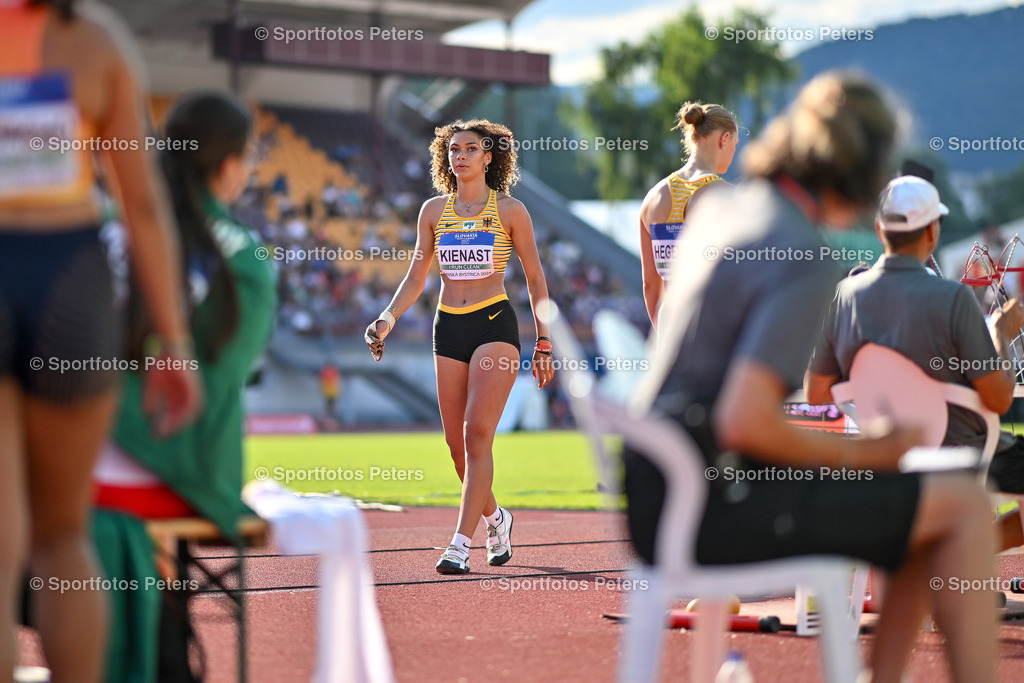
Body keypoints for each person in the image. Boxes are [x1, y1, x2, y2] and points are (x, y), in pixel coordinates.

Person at [625, 72, 998, 682]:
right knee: (961, 504)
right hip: (709, 500)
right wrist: (869, 452)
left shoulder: (723, 213)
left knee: (922, 512)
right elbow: (744, 418)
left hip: (655, 488)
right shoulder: (801, 251)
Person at [0, 1, 202, 681]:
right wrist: (174, 342)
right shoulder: (94, 38)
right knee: (63, 534)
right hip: (70, 277)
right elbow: (142, 206)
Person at [91, 91, 277, 682]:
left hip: (68, 479)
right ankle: (167, 651)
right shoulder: (243, 256)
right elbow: (227, 379)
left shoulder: (104, 235)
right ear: (228, 167)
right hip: (165, 479)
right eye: (249, 156)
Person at [364, 119, 554, 574]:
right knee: (455, 447)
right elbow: (416, 275)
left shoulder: (510, 210)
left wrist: (544, 340)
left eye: (470, 149)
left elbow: (534, 277)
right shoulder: (433, 211)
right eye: (453, 150)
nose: (460, 156)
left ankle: (458, 545)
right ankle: (497, 518)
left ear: (489, 156)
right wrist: (387, 317)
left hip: (494, 323)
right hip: (447, 326)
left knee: (476, 435)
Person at [805, 175, 1024, 545]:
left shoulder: (843, 297)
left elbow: (816, 393)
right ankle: (957, 558)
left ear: (878, 230)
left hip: (885, 457)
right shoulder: (953, 298)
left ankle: (939, 563)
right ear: (932, 234)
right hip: (962, 454)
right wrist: (1000, 335)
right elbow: (1000, 399)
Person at [639, 102, 738, 329]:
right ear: (724, 139)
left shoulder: (653, 197)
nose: (734, 151)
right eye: (735, 143)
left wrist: (664, 340)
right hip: (713, 324)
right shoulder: (725, 195)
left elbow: (649, 285)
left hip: (670, 320)